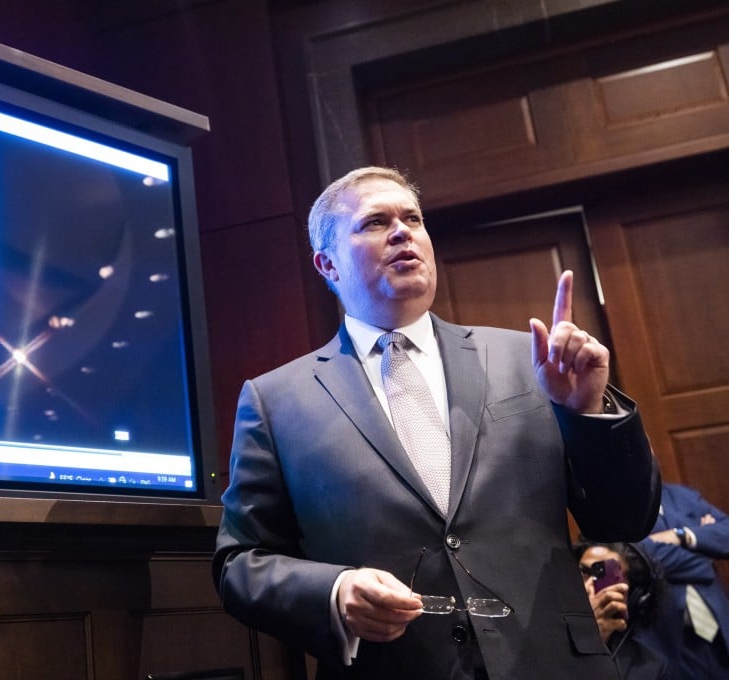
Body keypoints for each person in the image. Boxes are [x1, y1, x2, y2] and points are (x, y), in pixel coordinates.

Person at [212, 166, 662, 679]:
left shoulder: (530, 361)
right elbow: (239, 564)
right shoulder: (276, 401)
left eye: (413, 219)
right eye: (375, 222)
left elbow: (626, 522)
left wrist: (587, 413)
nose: (402, 232)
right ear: (327, 263)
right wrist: (334, 592)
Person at [637, 483, 729, 679]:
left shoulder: (681, 495)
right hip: (668, 638)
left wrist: (681, 535)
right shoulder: (614, 508)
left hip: (719, 629)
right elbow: (638, 555)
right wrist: (706, 547)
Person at [575, 541, 667, 679]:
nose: (587, 587)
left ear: (634, 596)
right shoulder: (546, 636)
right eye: (583, 572)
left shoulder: (650, 667)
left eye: (601, 576)